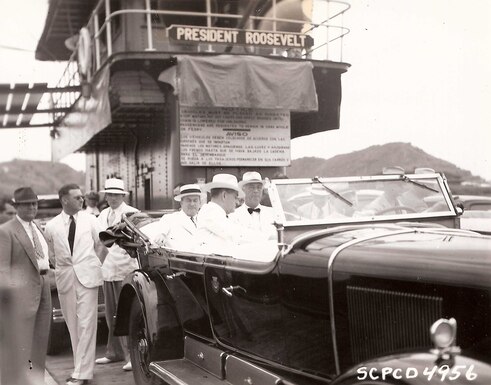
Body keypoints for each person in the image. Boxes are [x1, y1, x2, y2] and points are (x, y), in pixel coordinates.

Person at [44, 184, 107, 385]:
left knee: (87, 324)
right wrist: (64, 268)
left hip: (88, 277)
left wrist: (92, 263)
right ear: (65, 200)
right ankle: (83, 368)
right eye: (77, 197)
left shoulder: (91, 220)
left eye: (82, 197)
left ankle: (81, 373)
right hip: (65, 278)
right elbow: (51, 254)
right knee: (73, 325)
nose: (82, 200)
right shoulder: (52, 225)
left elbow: (102, 245)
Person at [0, 187, 52, 385]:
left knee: (38, 344)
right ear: (17, 206)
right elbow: (2, 270)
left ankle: (35, 381)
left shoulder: (36, 227)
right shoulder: (6, 231)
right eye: (27, 204)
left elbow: (44, 259)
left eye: (35, 203)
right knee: (18, 346)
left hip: (43, 287)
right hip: (20, 294)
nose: (32, 207)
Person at [96, 178, 139, 371]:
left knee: (125, 314)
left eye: (116, 194)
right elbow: (98, 241)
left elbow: (134, 244)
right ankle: (113, 353)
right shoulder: (103, 214)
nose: (112, 198)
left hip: (125, 270)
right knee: (110, 313)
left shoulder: (132, 213)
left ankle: (131, 355)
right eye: (109, 194)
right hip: (107, 270)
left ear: (123, 196)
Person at [196, 174, 270, 256]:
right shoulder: (210, 212)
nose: (237, 202)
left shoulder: (217, 213)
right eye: (235, 197)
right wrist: (267, 238)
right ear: (224, 196)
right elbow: (236, 233)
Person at [154, 184, 202, 250]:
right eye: (188, 200)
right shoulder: (170, 219)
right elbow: (159, 235)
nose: (192, 204)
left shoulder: (205, 220)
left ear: (200, 203)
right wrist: (161, 236)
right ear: (181, 203)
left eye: (195, 200)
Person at [229, 171, 276, 238]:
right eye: (251, 187)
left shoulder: (273, 213)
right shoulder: (233, 216)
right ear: (243, 190)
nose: (256, 191)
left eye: (259, 187)